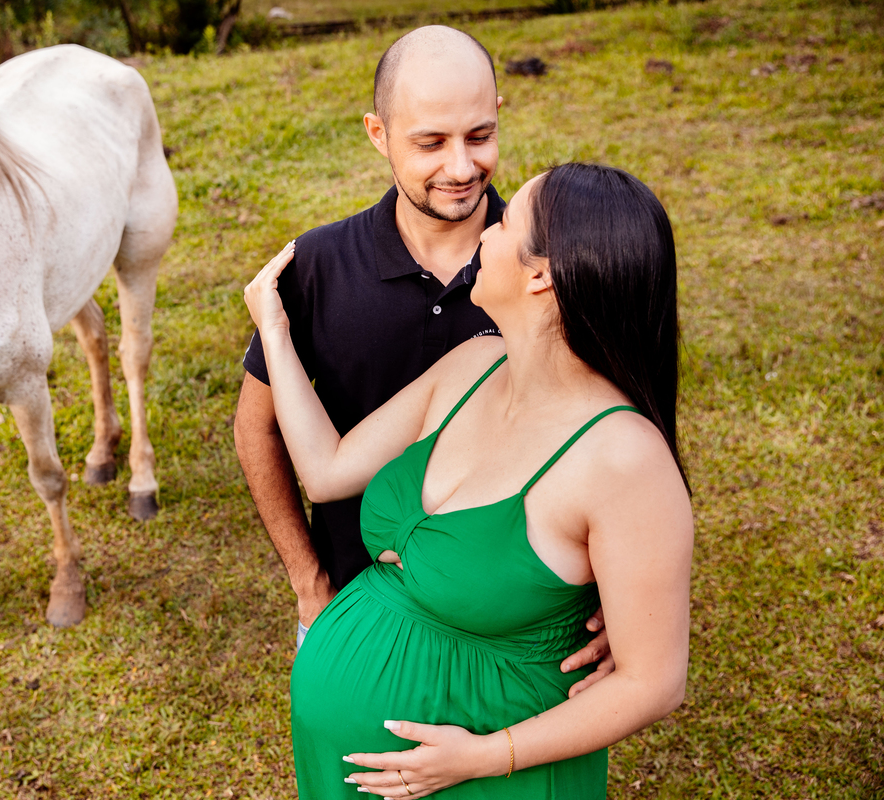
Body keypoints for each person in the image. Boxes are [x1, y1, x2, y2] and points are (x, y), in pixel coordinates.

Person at [243, 163, 694, 798]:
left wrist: (483, 758)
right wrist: (276, 332)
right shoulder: (474, 365)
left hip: (484, 774)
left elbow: (653, 681)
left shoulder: (623, 460)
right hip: (346, 769)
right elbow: (326, 470)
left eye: (505, 222)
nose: (485, 229)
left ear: (541, 275)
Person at [233, 25, 613, 691]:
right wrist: (309, 580)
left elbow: (603, 437)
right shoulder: (317, 266)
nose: (462, 167)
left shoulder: (550, 266)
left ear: (499, 112)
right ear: (379, 134)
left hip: (517, 626)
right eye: (431, 143)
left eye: (479, 134)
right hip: (358, 605)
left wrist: (617, 585)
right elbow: (256, 428)